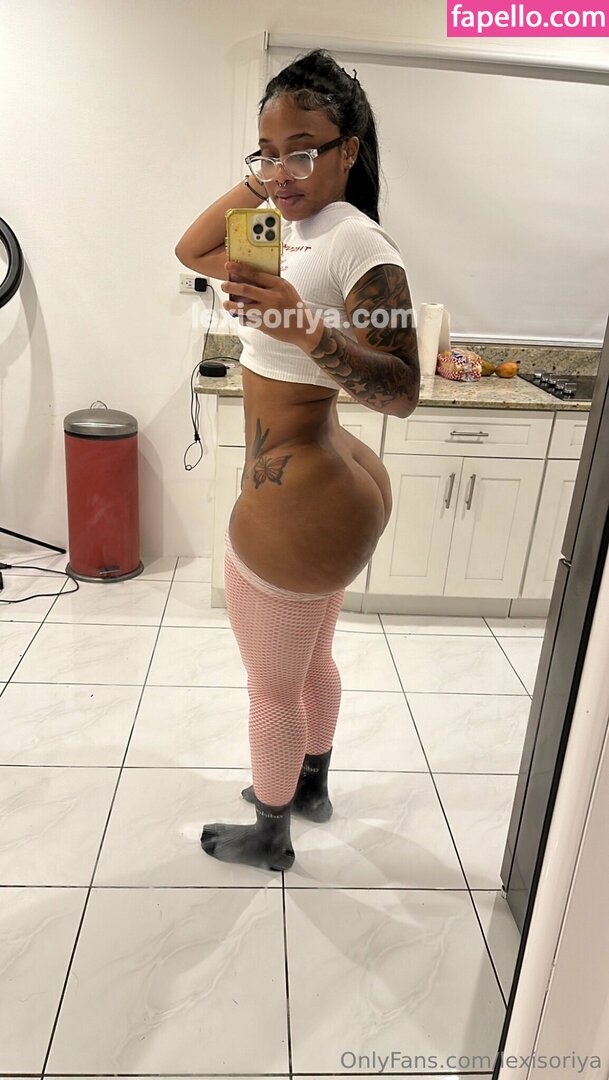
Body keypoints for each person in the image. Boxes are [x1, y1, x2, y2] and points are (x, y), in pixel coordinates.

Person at [175, 48, 419, 872]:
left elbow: (401, 391)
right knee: (311, 660)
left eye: (305, 151)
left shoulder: (357, 242)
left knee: (271, 687)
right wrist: (270, 179)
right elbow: (190, 249)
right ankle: (309, 787)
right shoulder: (291, 228)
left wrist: (303, 328)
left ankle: (271, 833)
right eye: (268, 152)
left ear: (350, 149)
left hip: (305, 494)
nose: (282, 171)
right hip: (325, 482)